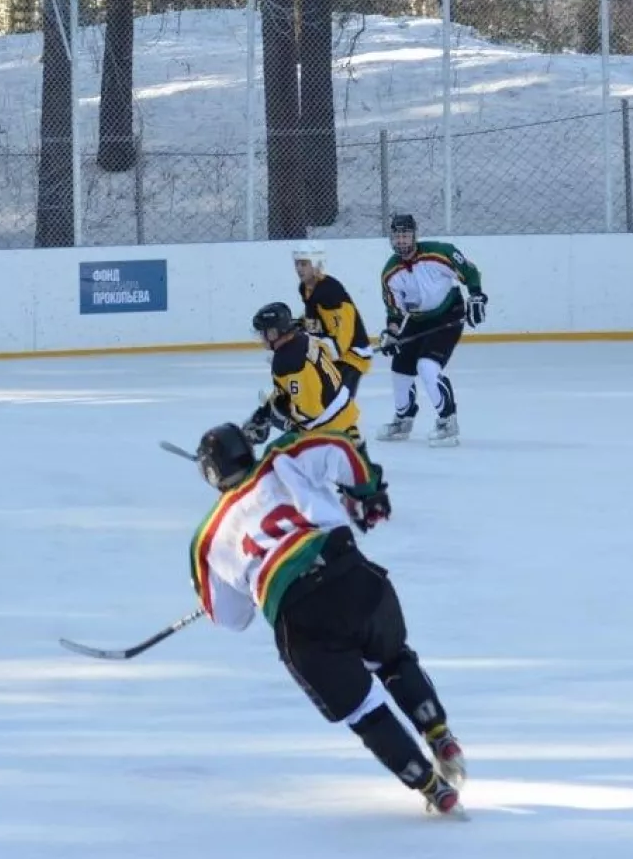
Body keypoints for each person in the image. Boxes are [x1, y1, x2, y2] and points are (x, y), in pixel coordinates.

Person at [189, 424, 467, 817]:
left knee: (362, 709)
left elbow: (232, 618)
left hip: (297, 613)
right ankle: (439, 733)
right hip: (349, 571)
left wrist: (242, 586)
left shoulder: (207, 538)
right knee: (392, 657)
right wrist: (368, 492)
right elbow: (339, 447)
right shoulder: (279, 457)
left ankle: (431, 785)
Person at [376, 214, 487, 446]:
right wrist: (392, 333)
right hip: (417, 320)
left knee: (427, 365)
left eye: (405, 235)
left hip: (448, 313)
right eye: (397, 236)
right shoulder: (390, 272)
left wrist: (476, 296)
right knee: (400, 367)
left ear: (415, 235)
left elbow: (470, 271)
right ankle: (403, 418)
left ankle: (448, 421)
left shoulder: (439, 253)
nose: (402, 241)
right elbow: (395, 312)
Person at [244, 302, 363, 454]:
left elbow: (310, 412)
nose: (261, 337)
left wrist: (280, 416)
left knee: (276, 459)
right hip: (346, 418)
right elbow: (293, 388)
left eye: (263, 332)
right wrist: (267, 410)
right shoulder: (302, 339)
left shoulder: (288, 361)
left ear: (274, 333)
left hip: (330, 433)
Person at [293, 241, 373, 394]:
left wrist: (328, 352)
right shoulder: (305, 288)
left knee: (336, 401)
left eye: (304, 264)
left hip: (352, 355)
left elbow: (344, 331)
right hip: (328, 351)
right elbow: (317, 317)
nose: (299, 269)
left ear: (316, 264)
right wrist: (301, 325)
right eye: (297, 264)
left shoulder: (330, 291)